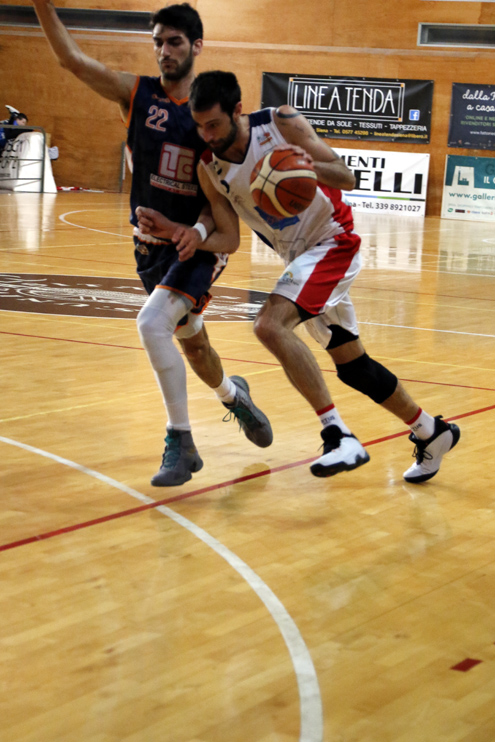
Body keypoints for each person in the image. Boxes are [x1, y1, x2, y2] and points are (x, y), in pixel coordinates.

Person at [138, 70, 460, 483]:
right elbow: (230, 240)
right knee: (353, 367)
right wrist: (182, 233)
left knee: (269, 325)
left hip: (333, 240)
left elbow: (346, 176)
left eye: (214, 124)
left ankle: (338, 436)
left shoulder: (280, 122)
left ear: (237, 110)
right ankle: (432, 431)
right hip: (297, 257)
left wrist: (298, 169)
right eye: (200, 127)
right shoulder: (209, 167)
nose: (207, 135)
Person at [32, 3, 273, 487]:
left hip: (198, 247)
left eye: (175, 42)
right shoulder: (137, 95)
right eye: (158, 41)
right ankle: (234, 396)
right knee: (194, 346)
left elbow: (223, 211)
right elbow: (72, 61)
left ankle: (181, 442)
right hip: (149, 248)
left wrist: (193, 232)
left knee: (150, 324)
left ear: (197, 46)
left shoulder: (208, 116)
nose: (164, 50)